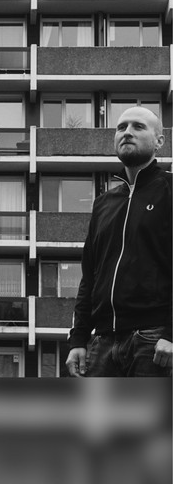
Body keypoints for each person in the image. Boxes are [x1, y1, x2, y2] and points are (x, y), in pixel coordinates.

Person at [66, 106, 172, 377]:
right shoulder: (104, 203)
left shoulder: (169, 190)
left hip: (154, 340)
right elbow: (89, 276)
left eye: (138, 126)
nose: (127, 132)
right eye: (121, 127)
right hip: (103, 342)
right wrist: (78, 339)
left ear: (159, 141)